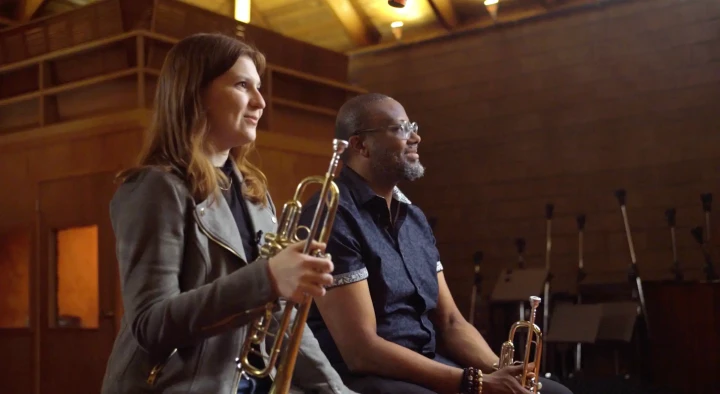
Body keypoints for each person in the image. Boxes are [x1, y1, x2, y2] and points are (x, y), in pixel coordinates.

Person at [100, 32, 356, 394]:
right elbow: (150, 325)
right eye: (242, 85)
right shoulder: (155, 188)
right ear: (195, 94)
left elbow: (281, 318)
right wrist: (267, 278)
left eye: (259, 88)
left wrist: (336, 391)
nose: (260, 102)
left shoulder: (254, 192)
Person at [298, 93, 574, 394]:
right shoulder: (332, 213)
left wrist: (501, 371)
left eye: (412, 126)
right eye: (400, 129)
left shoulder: (414, 218)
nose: (416, 137)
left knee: (555, 393)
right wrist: (474, 382)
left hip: (428, 366)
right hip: (369, 378)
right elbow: (362, 351)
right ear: (360, 145)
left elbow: (452, 322)